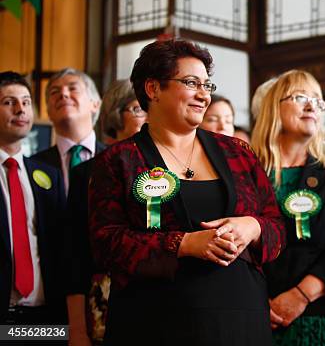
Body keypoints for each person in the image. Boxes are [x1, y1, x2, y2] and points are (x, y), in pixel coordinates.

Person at [88, 39, 286, 345]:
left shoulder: (238, 153)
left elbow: (277, 227)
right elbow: (106, 244)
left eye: (207, 85)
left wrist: (253, 226)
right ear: (153, 89)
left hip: (241, 321)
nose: (204, 94)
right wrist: (184, 244)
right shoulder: (117, 161)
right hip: (154, 324)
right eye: (191, 83)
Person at [251, 69, 325, 346]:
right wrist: (254, 299)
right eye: (300, 97)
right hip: (256, 315)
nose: (313, 106)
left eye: (318, 100)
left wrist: (299, 296)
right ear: (273, 107)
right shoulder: (246, 173)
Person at [66, 79, 147, 345]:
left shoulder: (172, 170)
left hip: (164, 300)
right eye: (138, 109)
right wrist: (76, 330)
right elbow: (75, 255)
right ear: (116, 115)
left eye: (150, 108)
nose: (147, 116)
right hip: (105, 303)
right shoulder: (89, 172)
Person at [0, 72, 66, 325]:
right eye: (9, 102)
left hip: (45, 318)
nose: (20, 110)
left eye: (26, 102)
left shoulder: (48, 175)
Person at [31, 68, 104, 191]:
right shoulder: (33, 166)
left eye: (73, 88)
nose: (63, 94)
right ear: (48, 112)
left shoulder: (116, 159)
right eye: (54, 92)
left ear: (95, 104)